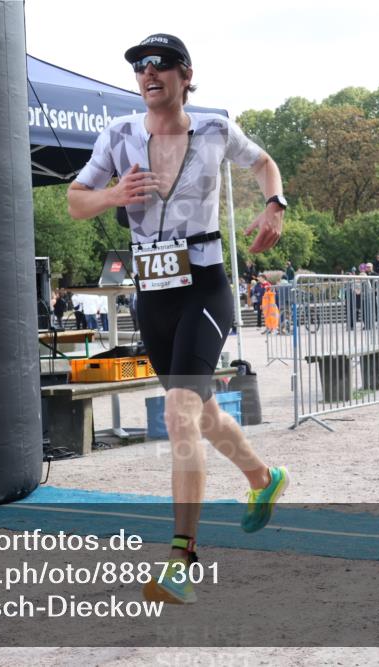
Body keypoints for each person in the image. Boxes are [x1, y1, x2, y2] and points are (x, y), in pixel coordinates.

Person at [67, 33, 289, 605]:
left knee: (179, 409)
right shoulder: (117, 135)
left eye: (160, 64)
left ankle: (181, 558)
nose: (147, 73)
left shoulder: (214, 128)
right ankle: (264, 480)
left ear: (185, 74)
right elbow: (75, 200)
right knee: (203, 411)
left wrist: (274, 204)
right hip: (152, 294)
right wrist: (114, 196)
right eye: (139, 66)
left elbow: (264, 163)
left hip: (205, 286)